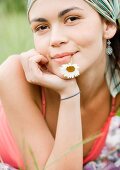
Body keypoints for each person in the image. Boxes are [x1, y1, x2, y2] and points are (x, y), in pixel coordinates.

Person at [0, 0, 120, 169]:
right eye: (42, 27)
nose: (55, 39)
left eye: (72, 19)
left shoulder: (115, 77)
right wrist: (69, 93)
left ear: (107, 25)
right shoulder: (14, 74)